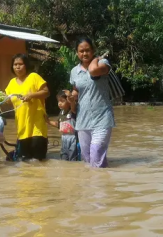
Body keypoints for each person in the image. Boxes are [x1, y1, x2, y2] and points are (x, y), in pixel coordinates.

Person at [70, 37, 115, 168]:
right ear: (77, 53)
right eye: (81, 51)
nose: (85, 54)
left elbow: (94, 71)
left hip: (102, 118)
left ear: (93, 50)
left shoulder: (103, 63)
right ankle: (95, 185)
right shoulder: (74, 71)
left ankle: (99, 187)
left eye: (88, 50)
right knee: (88, 159)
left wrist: (95, 59)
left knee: (96, 155)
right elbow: (76, 91)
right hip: (83, 120)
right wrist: (72, 98)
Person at [5, 53, 50, 161]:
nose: (17, 67)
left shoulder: (33, 77)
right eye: (15, 64)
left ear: (26, 65)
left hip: (37, 127)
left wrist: (31, 95)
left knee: (38, 162)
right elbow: (7, 100)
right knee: (25, 164)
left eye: (20, 64)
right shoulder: (11, 83)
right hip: (22, 128)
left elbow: (46, 92)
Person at [46, 90, 78, 161]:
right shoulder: (61, 113)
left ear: (69, 101)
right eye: (58, 101)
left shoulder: (72, 111)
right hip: (64, 137)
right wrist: (48, 121)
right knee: (63, 155)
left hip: (73, 138)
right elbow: (58, 124)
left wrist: (70, 97)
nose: (59, 103)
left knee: (72, 157)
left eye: (62, 101)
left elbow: (73, 105)